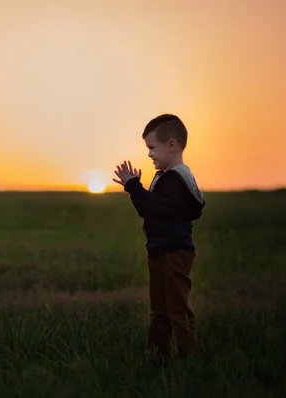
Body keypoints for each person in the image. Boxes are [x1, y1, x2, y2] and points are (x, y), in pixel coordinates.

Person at [112, 113, 206, 363]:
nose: (150, 154)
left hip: (174, 253)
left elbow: (154, 208)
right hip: (159, 250)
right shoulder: (166, 178)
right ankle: (157, 358)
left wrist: (133, 186)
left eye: (152, 148)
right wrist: (135, 188)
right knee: (159, 311)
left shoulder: (176, 179)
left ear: (172, 145)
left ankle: (189, 359)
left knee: (177, 310)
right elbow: (148, 208)